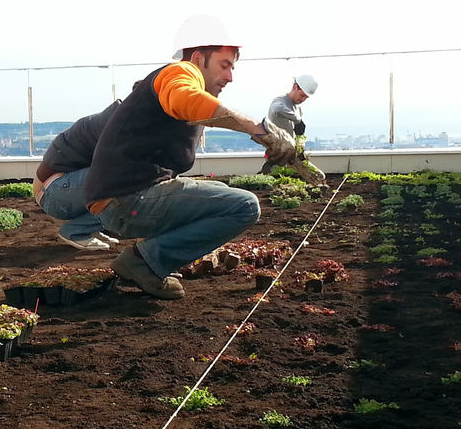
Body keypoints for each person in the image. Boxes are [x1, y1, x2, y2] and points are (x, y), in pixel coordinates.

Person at [83, 16, 300, 300]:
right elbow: (185, 99)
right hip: (125, 201)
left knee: (222, 194)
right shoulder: (180, 72)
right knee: (245, 206)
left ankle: (150, 257)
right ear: (198, 58)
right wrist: (260, 131)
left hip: (119, 199)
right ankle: (145, 261)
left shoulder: (171, 82)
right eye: (225, 65)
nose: (230, 77)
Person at [33, 99, 124, 250]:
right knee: (128, 179)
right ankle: (76, 231)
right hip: (52, 192)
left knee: (128, 178)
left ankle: (90, 227)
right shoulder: (117, 125)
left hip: (55, 188)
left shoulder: (116, 117)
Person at [260, 74, 324, 180]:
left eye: (306, 97)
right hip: (277, 153)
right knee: (276, 181)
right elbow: (277, 109)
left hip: (290, 155)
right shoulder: (280, 101)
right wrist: (298, 120)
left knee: (313, 177)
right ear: (295, 87)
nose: (303, 99)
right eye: (302, 95)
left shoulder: (297, 109)